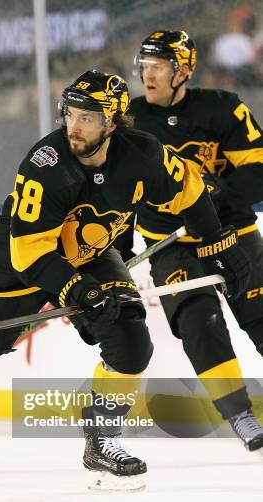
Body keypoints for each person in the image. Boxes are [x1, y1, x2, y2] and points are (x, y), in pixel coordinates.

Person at [0, 69, 249, 490]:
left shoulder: (143, 154)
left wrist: (220, 247)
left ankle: (102, 438)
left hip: (91, 254)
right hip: (14, 262)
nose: (74, 127)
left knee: (132, 341)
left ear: (112, 123)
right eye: (71, 114)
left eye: (88, 118)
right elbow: (30, 252)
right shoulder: (48, 163)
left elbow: (190, 190)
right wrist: (77, 289)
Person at [130, 30, 263, 451]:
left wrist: (218, 194)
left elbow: (259, 166)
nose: (148, 76)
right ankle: (240, 415)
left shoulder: (223, 108)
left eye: (158, 67)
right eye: (144, 67)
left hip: (232, 235)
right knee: (198, 323)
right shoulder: (128, 122)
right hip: (171, 246)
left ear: (183, 70)